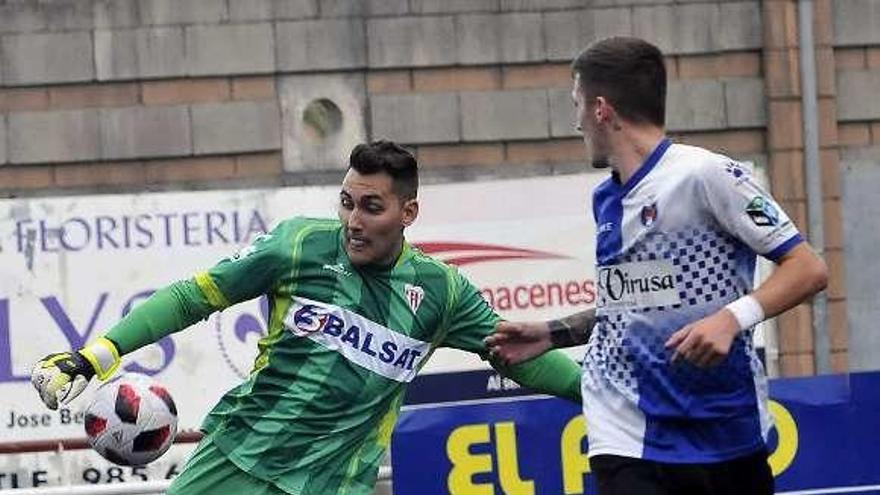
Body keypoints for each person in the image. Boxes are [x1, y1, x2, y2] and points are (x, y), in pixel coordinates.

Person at [31, 140, 583, 495]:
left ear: (407, 213)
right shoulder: (297, 246)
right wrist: (94, 356)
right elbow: (190, 297)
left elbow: (520, 357)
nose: (353, 221)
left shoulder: (443, 293)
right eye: (347, 202)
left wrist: (611, 396)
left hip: (334, 485)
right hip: (239, 459)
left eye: (372, 207)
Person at [485, 37, 829, 495]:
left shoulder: (705, 176)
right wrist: (552, 333)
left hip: (725, 429)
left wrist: (731, 318)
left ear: (602, 110)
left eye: (577, 105)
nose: (576, 122)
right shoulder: (606, 199)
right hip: (628, 433)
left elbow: (808, 268)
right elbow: (631, 303)